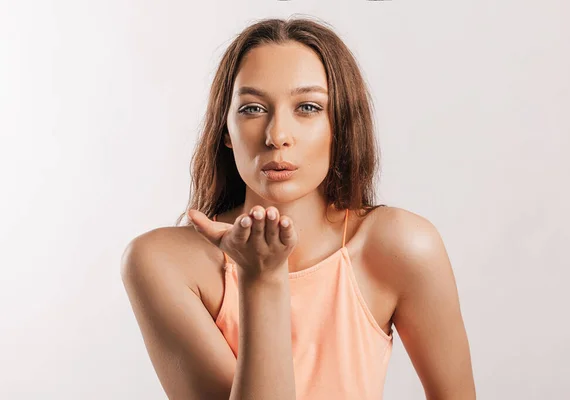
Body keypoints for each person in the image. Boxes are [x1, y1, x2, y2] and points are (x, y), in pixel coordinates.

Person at [121, 16, 476, 400]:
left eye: (307, 107)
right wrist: (263, 278)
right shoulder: (160, 262)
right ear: (225, 130)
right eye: (253, 109)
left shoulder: (401, 246)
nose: (277, 136)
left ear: (340, 125)